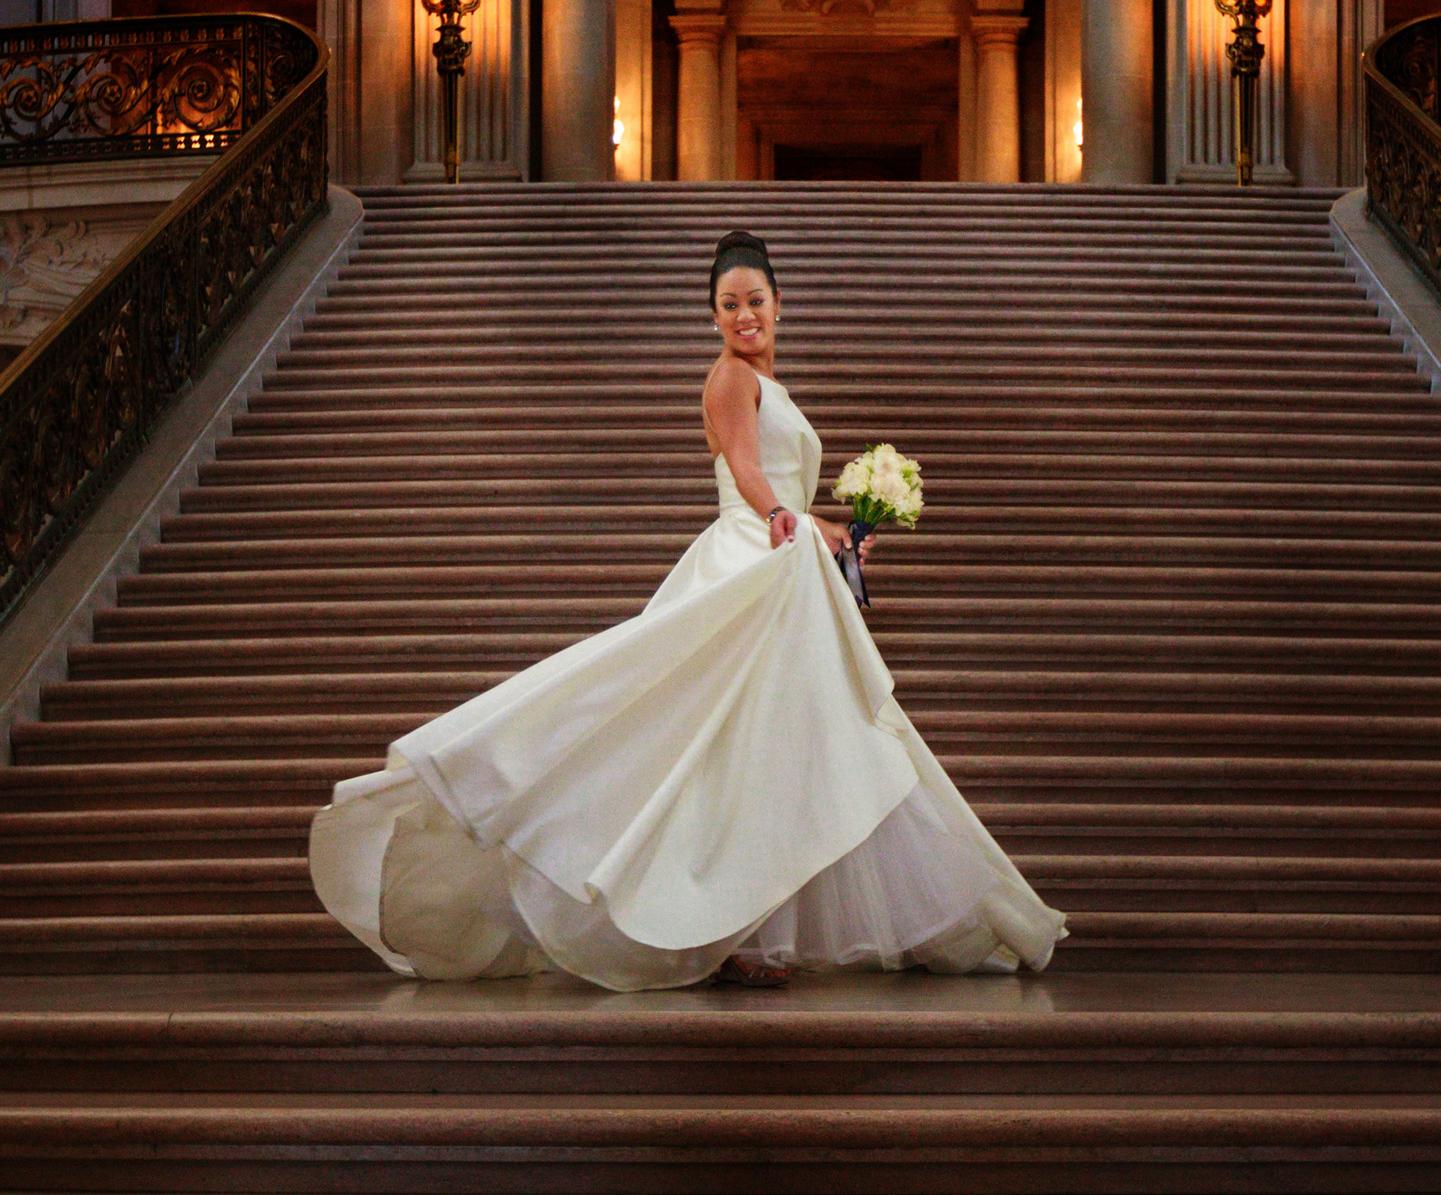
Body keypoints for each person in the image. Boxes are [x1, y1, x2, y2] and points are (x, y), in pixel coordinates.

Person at [308, 229, 1064, 991]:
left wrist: (838, 531)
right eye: (728, 305)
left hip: (778, 552)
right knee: (722, 743)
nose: (744, 316)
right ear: (713, 317)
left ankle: (734, 922)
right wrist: (791, 525)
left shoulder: (774, 385)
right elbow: (745, 473)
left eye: (755, 301)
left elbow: (781, 493)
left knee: (759, 748)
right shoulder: (729, 378)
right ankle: (716, 923)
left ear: (780, 306)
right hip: (748, 558)